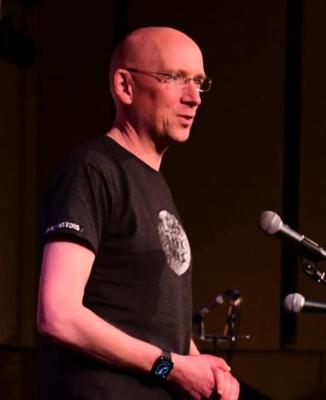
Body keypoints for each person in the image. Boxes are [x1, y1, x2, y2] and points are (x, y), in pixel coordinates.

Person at [37, 26, 240, 400]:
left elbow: (146, 321)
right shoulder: (92, 170)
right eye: (175, 77)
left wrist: (199, 365)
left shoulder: (154, 185)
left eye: (199, 82)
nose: (194, 97)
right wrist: (171, 367)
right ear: (125, 86)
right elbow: (58, 314)